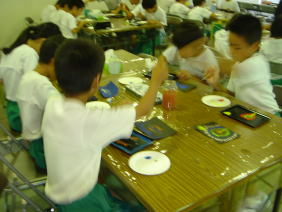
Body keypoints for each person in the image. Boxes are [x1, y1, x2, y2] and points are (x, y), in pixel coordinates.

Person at [42, 38, 168, 211]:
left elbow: (82, 121)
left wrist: (113, 114)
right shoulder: (90, 122)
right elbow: (144, 110)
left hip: (60, 191)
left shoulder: (53, 103)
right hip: (84, 202)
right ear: (96, 81)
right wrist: (156, 81)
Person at [205, 14, 280, 115]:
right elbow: (231, 94)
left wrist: (203, 56)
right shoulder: (239, 63)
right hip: (247, 112)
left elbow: (227, 66)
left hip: (269, 116)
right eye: (230, 45)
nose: (231, 51)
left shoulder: (258, 62)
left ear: (254, 46)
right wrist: (216, 84)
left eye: (237, 48)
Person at [0, 23, 61, 132]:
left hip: (12, 109)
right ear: (43, 41)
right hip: (21, 115)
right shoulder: (30, 54)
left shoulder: (17, 48)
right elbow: (36, 84)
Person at [17, 35, 65, 169]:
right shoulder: (41, 85)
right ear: (53, 61)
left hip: (32, 143)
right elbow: (66, 113)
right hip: (44, 151)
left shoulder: (30, 76)